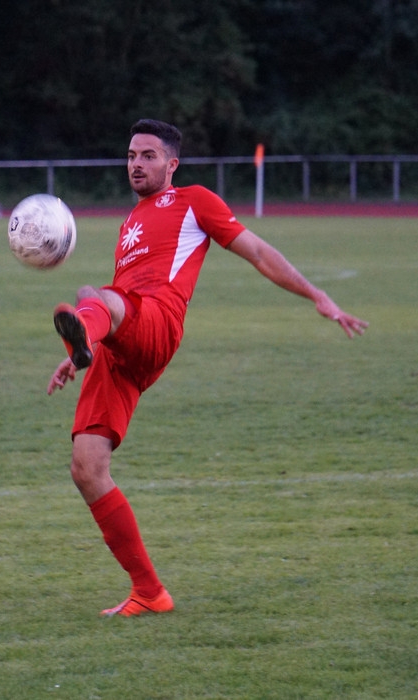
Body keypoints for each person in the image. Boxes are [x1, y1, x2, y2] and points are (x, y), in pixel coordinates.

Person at [46, 119, 368, 617]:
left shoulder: (194, 200)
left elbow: (257, 251)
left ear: (172, 164)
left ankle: (84, 331)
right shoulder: (130, 222)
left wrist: (317, 295)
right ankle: (150, 593)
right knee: (87, 468)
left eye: (148, 155)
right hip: (120, 343)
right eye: (131, 154)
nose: (136, 163)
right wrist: (78, 354)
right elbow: (117, 303)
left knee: (93, 295)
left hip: (157, 322)